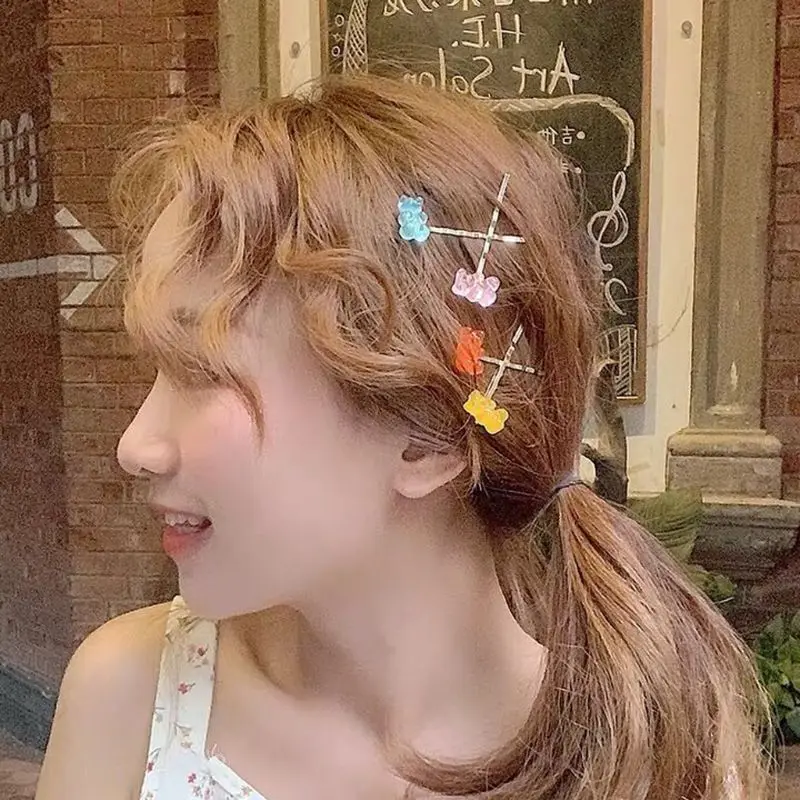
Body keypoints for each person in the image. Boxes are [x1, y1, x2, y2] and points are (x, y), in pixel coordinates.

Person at [35, 75, 772, 800]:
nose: (134, 445)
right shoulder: (130, 700)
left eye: (200, 370)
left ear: (427, 436)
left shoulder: (645, 763)